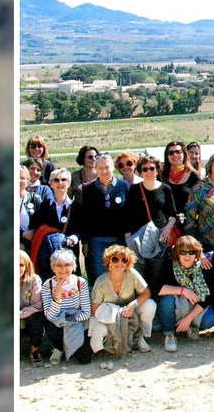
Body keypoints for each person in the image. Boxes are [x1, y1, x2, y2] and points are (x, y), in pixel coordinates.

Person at [154, 236, 214, 352]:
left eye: (191, 252)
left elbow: (209, 296)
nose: (187, 256)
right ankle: (169, 335)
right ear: (178, 254)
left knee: (210, 319)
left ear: (197, 254)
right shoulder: (170, 265)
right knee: (166, 300)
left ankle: (191, 326)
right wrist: (183, 291)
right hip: (179, 303)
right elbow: (157, 288)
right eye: (183, 252)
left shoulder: (205, 266)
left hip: (196, 306)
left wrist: (188, 318)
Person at [89, 245, 156, 356]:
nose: (119, 263)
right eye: (115, 259)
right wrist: (118, 315)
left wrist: (132, 305)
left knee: (150, 305)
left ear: (127, 263)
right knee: (99, 328)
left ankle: (141, 337)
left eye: (124, 260)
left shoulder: (132, 274)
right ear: (109, 262)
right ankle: (114, 341)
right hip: (109, 316)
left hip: (131, 312)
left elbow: (146, 293)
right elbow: (95, 309)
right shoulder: (101, 281)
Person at [74, 153, 130, 281]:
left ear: (113, 167)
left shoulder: (123, 186)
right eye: (100, 168)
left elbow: (128, 213)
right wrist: (86, 241)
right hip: (97, 241)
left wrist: (128, 236)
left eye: (107, 167)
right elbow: (86, 217)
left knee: (120, 275)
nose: (104, 171)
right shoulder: (88, 190)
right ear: (96, 169)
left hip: (119, 239)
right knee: (101, 277)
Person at [123, 155, 177, 280]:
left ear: (157, 170)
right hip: (138, 238)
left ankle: (155, 298)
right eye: (145, 169)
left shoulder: (165, 189)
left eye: (151, 168)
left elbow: (172, 214)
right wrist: (128, 239)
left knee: (157, 274)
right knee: (139, 275)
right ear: (140, 172)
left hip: (160, 236)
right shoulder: (135, 190)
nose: (148, 172)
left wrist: (168, 227)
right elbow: (126, 215)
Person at [42, 249, 93, 365]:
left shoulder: (80, 282)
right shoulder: (47, 285)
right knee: (52, 327)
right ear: (53, 268)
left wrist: (69, 320)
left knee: (85, 359)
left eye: (67, 265)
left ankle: (70, 346)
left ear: (73, 267)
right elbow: (50, 316)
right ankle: (58, 348)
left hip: (76, 321)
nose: (63, 269)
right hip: (56, 323)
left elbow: (86, 312)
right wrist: (57, 297)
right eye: (58, 266)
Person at [19, 250, 45, 366]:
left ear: (26, 266)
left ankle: (34, 350)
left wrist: (20, 314)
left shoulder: (34, 279)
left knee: (36, 318)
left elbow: (38, 304)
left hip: (27, 315)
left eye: (21, 265)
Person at [162, 140, 201, 218]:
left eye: (178, 152)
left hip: (188, 222)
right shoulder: (161, 176)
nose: (175, 155)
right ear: (167, 156)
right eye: (171, 153)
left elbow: (198, 202)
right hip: (166, 224)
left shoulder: (193, 176)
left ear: (184, 154)